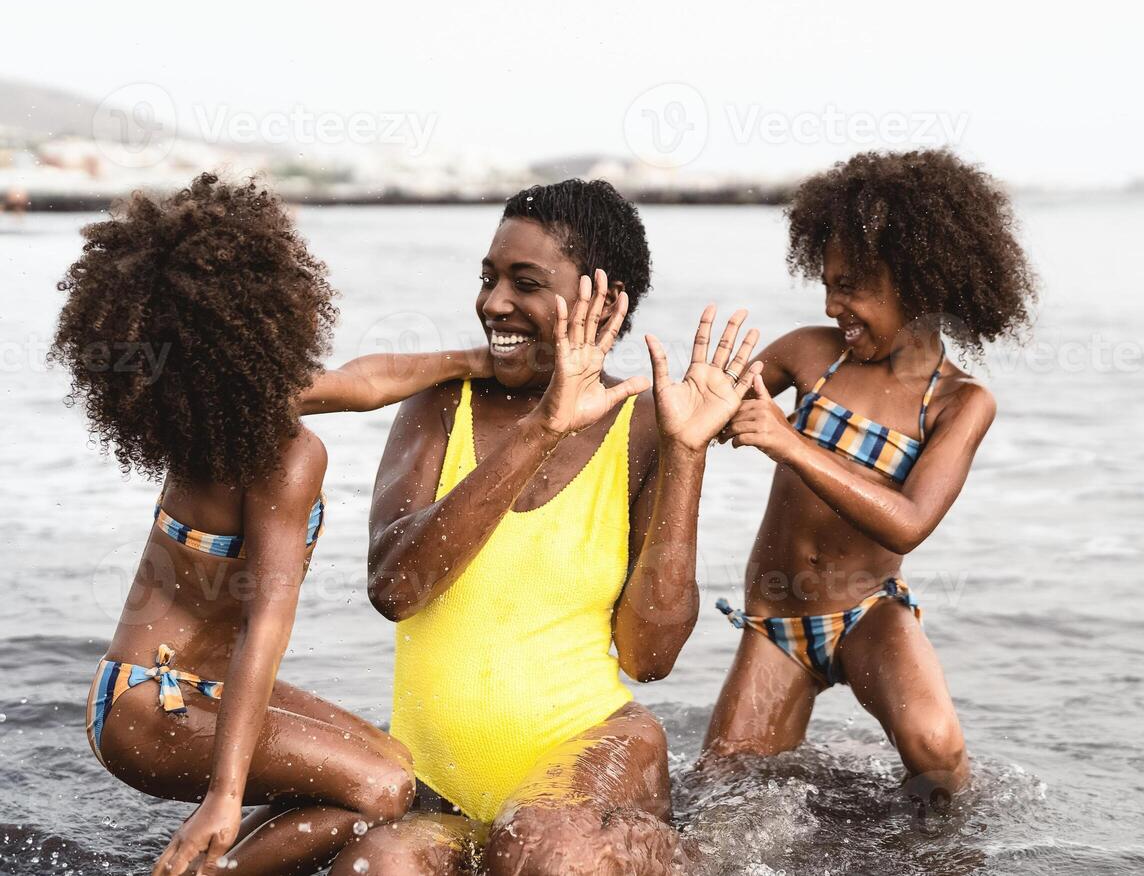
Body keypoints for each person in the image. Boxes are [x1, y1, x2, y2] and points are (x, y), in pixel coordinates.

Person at [52, 173, 495, 876]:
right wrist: (224, 798)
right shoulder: (285, 456)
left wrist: (480, 361)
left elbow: (363, 382)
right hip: (150, 703)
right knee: (382, 789)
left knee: (391, 761)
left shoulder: (218, 410)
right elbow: (267, 625)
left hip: (174, 686)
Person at [340, 179, 761, 875]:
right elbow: (396, 588)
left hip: (592, 760)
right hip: (447, 791)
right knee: (377, 864)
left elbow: (649, 657)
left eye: (524, 283)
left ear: (604, 299)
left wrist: (688, 454)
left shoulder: (647, 427)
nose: (493, 303)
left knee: (539, 847)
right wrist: (541, 428)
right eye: (489, 277)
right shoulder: (442, 408)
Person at [702, 149, 1037, 810]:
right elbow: (705, 411)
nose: (832, 305)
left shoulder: (958, 404)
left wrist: (788, 441)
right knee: (722, 797)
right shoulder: (810, 355)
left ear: (920, 283)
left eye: (851, 285)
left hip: (867, 613)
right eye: (826, 283)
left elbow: (909, 520)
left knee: (936, 748)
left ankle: (940, 854)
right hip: (777, 620)